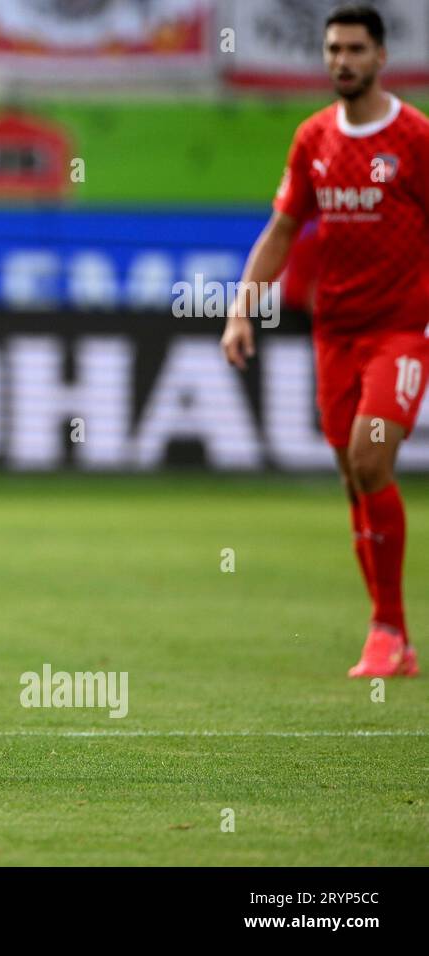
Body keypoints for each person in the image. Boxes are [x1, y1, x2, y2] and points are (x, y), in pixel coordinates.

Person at [221, 5, 425, 677]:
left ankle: (388, 628)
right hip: (334, 333)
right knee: (351, 477)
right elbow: (282, 231)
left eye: (355, 49)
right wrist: (242, 310)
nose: (342, 60)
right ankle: (387, 632)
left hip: (400, 329)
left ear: (381, 56)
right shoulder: (313, 138)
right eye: (333, 48)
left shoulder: (415, 138)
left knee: (370, 462)